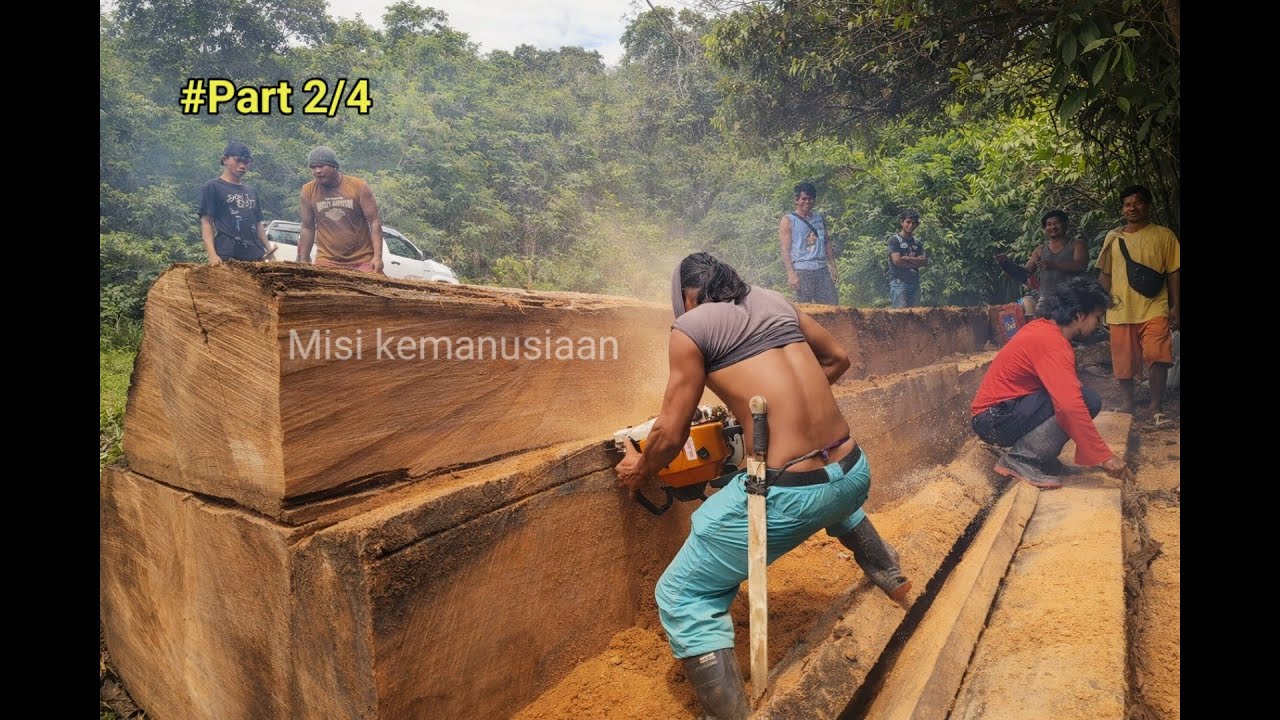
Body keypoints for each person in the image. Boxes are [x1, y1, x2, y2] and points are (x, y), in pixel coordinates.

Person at [614, 252, 908, 719]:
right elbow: (838, 358)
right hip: (852, 471)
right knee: (828, 495)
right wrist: (779, 413)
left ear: (688, 296)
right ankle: (897, 584)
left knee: (681, 593)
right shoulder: (776, 301)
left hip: (793, 495)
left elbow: (670, 435)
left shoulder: (690, 328)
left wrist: (640, 469)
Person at [971, 277, 1134, 489]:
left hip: (1000, 414)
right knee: (1084, 400)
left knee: (1084, 398)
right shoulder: (1051, 342)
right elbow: (1070, 406)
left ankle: (1043, 460)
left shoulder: (1045, 330)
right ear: (1078, 315)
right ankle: (1021, 459)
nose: (1099, 326)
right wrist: (1105, 456)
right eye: (1097, 318)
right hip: (995, 419)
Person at [1093, 185, 1180, 427]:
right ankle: (1127, 404)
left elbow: (1174, 272)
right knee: (1124, 361)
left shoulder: (1164, 235)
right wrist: (1100, 305)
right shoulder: (1113, 238)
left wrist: (1176, 306)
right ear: (1122, 209)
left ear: (1148, 205)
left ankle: (1156, 407)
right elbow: (1105, 275)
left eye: (1138, 202)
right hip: (1120, 309)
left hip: (1155, 306)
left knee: (1157, 355)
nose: (1132, 208)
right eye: (1127, 204)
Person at [297, 146, 385, 274]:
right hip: (327, 259)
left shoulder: (358, 187)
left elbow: (374, 222)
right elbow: (307, 227)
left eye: (321, 166)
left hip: (361, 259)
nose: (317, 171)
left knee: (374, 288)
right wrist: (304, 259)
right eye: (313, 167)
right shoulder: (308, 191)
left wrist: (378, 257)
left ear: (334, 166)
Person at [198, 141, 277, 265]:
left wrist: (270, 252)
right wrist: (212, 255)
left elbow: (258, 224)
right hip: (227, 252)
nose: (242, 166)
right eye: (237, 160)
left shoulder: (251, 191)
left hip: (255, 254)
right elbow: (207, 222)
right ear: (225, 160)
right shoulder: (213, 187)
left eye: (246, 162)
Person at [996, 210, 1088, 314]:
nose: (1053, 227)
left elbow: (1080, 265)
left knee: (1071, 329)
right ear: (1045, 229)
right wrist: (1007, 265)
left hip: (1072, 297)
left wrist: (1055, 265)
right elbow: (1026, 272)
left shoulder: (1077, 244)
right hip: (1047, 299)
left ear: (1065, 225)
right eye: (1049, 224)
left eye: (1056, 223)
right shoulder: (1040, 250)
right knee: (1041, 327)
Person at [780, 182, 839, 305]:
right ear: (797, 200)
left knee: (832, 306)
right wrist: (791, 274)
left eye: (810, 199)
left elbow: (826, 242)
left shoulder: (819, 218)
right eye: (804, 199)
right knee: (805, 308)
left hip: (821, 269)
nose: (807, 202)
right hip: (802, 270)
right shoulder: (789, 220)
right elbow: (785, 249)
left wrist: (833, 266)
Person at [887, 210, 926, 307]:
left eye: (913, 223)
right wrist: (915, 260)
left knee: (916, 315)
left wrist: (907, 258)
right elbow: (897, 261)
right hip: (899, 283)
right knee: (901, 315)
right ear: (902, 222)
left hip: (914, 284)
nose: (910, 225)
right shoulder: (895, 240)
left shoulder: (917, 243)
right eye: (908, 222)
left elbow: (924, 261)